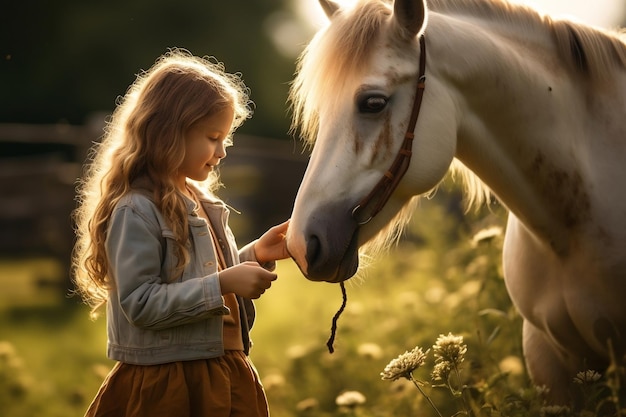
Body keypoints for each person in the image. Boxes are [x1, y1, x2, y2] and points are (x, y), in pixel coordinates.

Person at [71, 49, 290, 417]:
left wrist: (254, 255)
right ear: (167, 133)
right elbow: (140, 303)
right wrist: (223, 284)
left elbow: (201, 274)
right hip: (170, 382)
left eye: (226, 139)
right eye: (212, 137)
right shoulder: (136, 209)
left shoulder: (200, 199)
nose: (222, 151)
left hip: (222, 370)